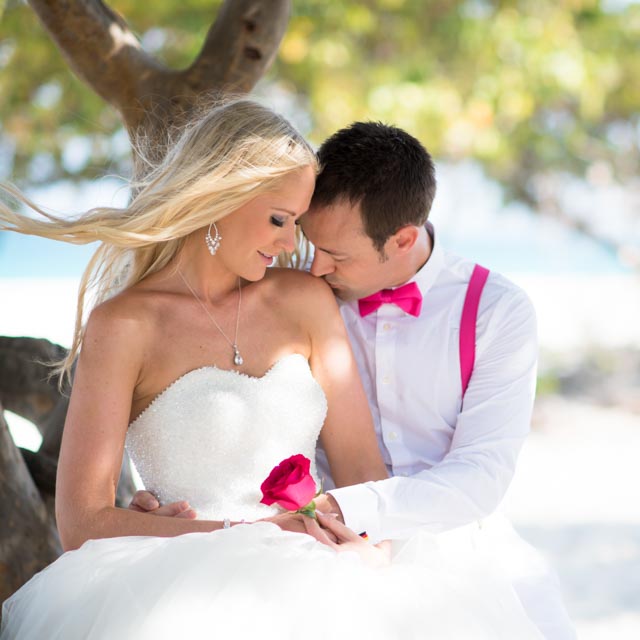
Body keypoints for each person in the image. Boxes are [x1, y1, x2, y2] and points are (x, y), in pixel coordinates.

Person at [0, 99, 544, 639]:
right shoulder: (123, 325)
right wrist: (232, 533)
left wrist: (373, 549)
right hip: (180, 589)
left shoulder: (305, 300)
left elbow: (364, 472)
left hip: (327, 579)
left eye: (297, 225)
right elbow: (82, 523)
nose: (293, 248)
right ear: (219, 197)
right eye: (281, 221)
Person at [134, 120, 575, 639]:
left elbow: (480, 474)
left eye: (337, 256)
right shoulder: (297, 294)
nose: (315, 267)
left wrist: (353, 512)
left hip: (452, 546)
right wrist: (165, 502)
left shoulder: (497, 312)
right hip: (305, 548)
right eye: (310, 243)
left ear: (404, 239)